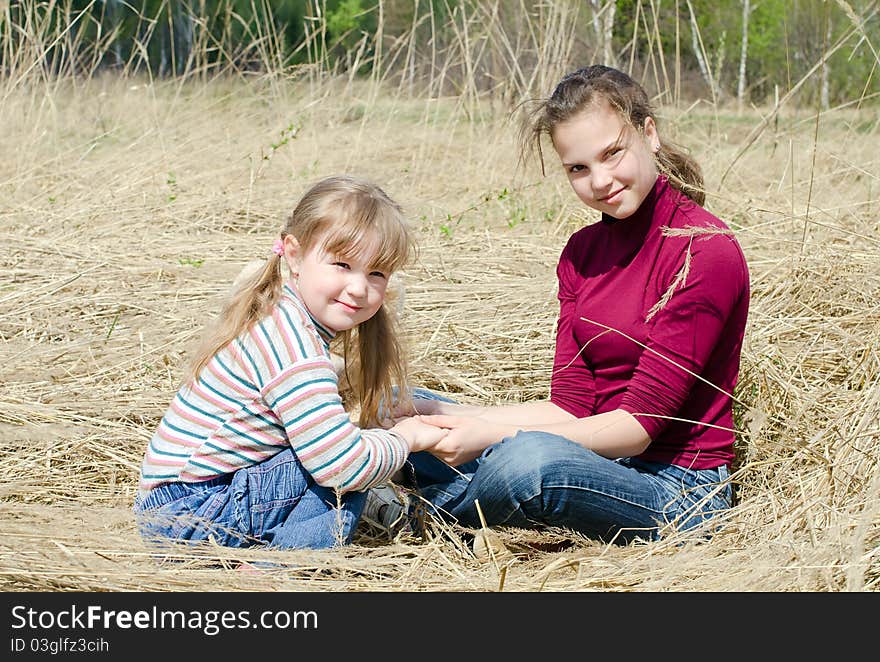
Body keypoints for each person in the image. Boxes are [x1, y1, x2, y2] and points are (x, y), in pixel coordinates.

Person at [399, 65, 751, 545]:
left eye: (612, 154)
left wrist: (490, 436)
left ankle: (417, 514)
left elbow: (639, 427)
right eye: (579, 169)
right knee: (406, 413)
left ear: (648, 134)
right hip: (589, 455)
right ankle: (432, 489)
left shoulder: (703, 250)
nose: (601, 181)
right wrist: (446, 414)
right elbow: (570, 406)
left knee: (530, 464)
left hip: (675, 490)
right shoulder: (581, 254)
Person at [133, 175, 447, 550]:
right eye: (342, 264)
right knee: (344, 471)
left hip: (180, 505)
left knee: (351, 438)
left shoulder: (282, 315)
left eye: (376, 272)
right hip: (189, 516)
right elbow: (341, 465)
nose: (360, 287)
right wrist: (405, 439)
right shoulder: (294, 348)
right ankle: (278, 571)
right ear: (295, 255)